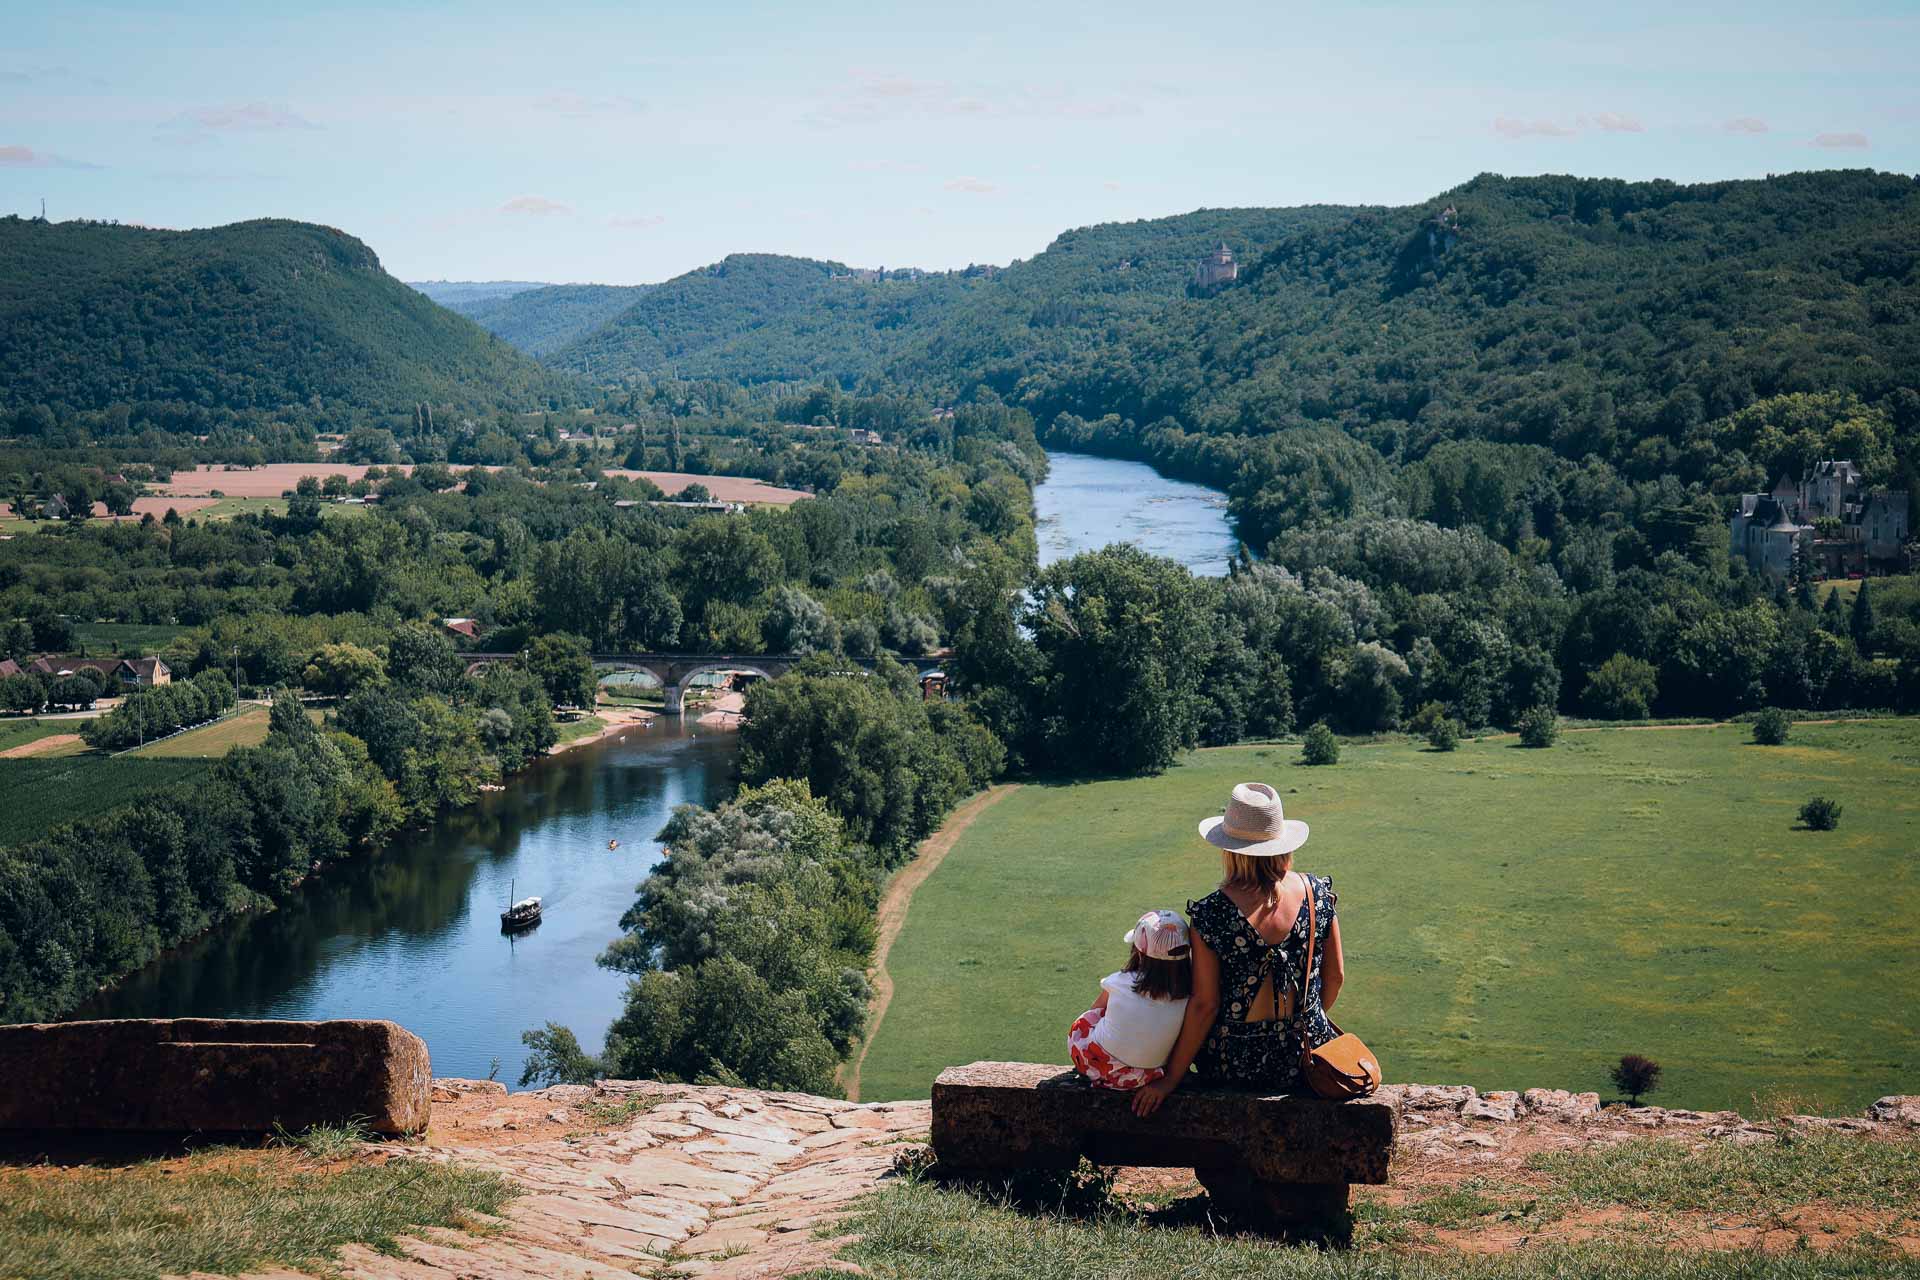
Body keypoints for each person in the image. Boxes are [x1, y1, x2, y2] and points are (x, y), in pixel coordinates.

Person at [1131, 782, 1343, 1117]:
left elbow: (1205, 1005)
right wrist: (1301, 1030)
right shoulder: (1317, 894)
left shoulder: (1212, 914)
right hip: (1306, 1057)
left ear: (1229, 850)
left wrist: (1169, 1079)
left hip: (1235, 1063)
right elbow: (1335, 977)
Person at [1067, 909, 1193, 1091]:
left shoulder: (1118, 981)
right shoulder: (1188, 996)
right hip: (1145, 1076)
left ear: (1140, 953)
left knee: (1086, 1021)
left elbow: (1093, 1011)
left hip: (1094, 1065)